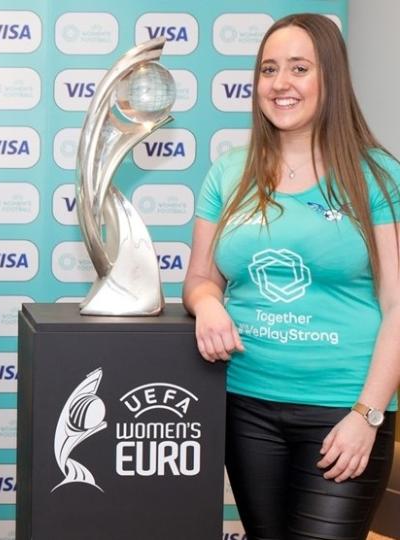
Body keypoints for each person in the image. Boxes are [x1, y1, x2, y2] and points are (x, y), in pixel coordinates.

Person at [184, 13, 399, 540]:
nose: (280, 84)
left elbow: (398, 304)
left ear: (330, 77)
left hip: (344, 407)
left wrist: (367, 415)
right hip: (246, 404)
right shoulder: (228, 172)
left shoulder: (376, 175)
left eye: (299, 68)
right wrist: (208, 302)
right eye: (268, 69)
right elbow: (198, 278)